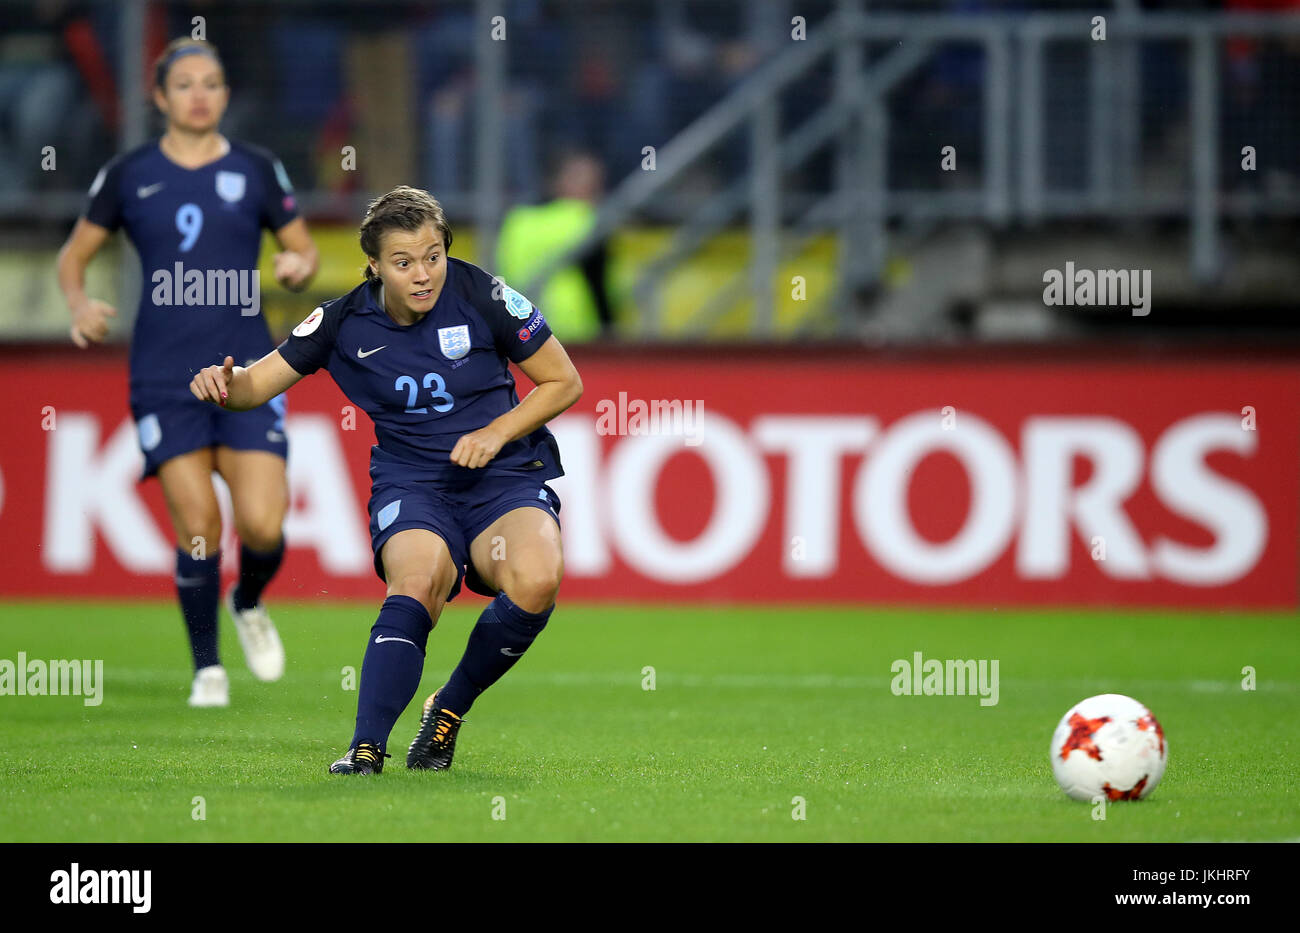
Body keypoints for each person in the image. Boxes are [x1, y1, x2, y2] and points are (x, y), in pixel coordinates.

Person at [189, 185, 582, 775]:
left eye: (433, 256)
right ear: (374, 266)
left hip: (503, 478)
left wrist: (495, 433)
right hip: (415, 485)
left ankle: (447, 710)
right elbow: (253, 386)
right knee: (418, 582)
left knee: (537, 578)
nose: (423, 274)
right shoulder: (343, 322)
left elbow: (564, 382)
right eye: (403, 262)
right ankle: (366, 747)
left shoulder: (482, 293)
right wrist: (225, 383)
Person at [55, 38, 319, 707]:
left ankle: (249, 600)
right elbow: (74, 255)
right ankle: (208, 668)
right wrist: (81, 305)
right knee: (197, 523)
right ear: (160, 97)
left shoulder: (258, 169)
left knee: (262, 526)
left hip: (246, 374)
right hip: (165, 377)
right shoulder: (129, 173)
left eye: (212, 83)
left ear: (226, 95)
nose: (200, 95)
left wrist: (297, 265)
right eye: (185, 85)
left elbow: (302, 247)